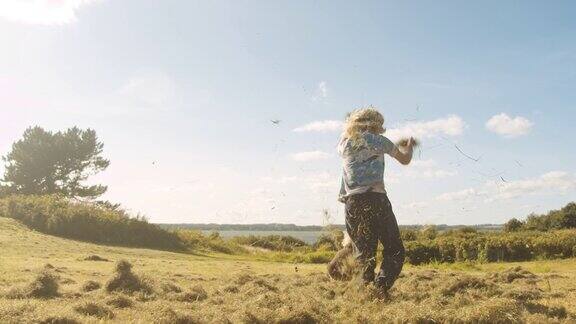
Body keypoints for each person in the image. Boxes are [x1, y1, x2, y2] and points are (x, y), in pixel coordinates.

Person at [330, 107, 416, 292]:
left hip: (353, 203)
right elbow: (405, 159)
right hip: (376, 199)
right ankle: (379, 290)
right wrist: (407, 148)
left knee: (364, 254)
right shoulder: (379, 141)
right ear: (376, 125)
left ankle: (363, 293)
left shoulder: (344, 144)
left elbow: (350, 140)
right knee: (394, 250)